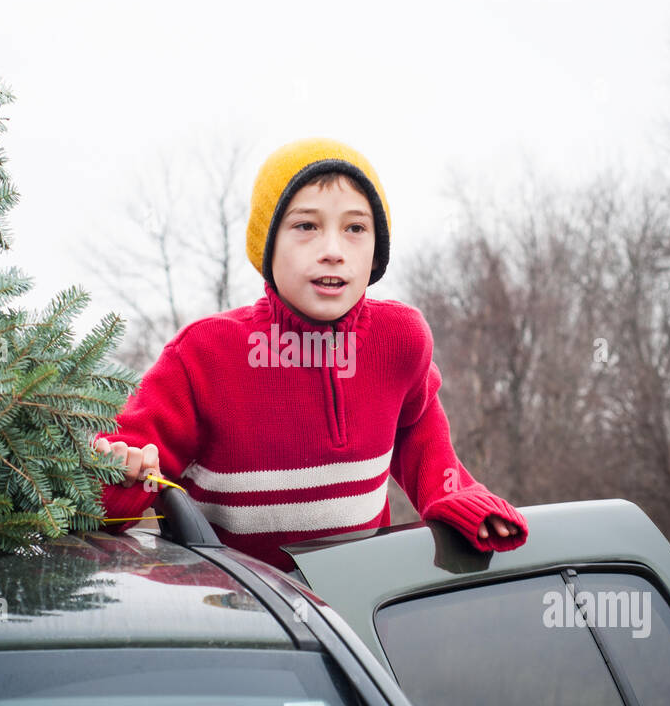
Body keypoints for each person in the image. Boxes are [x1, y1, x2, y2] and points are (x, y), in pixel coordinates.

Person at [92, 136, 526, 572]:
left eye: (355, 228)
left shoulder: (400, 339)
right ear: (268, 245)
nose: (333, 251)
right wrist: (119, 476)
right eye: (306, 227)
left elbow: (416, 427)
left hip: (357, 614)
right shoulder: (204, 356)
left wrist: (452, 492)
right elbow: (112, 484)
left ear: (377, 249)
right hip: (238, 617)